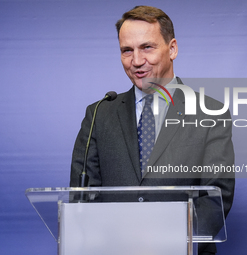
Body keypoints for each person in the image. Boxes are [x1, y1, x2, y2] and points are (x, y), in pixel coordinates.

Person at [70, 6, 235, 255]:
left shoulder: (211, 113)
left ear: (172, 49)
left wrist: (162, 240)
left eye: (147, 47)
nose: (136, 61)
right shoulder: (99, 114)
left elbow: (216, 196)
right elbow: (81, 197)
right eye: (127, 50)